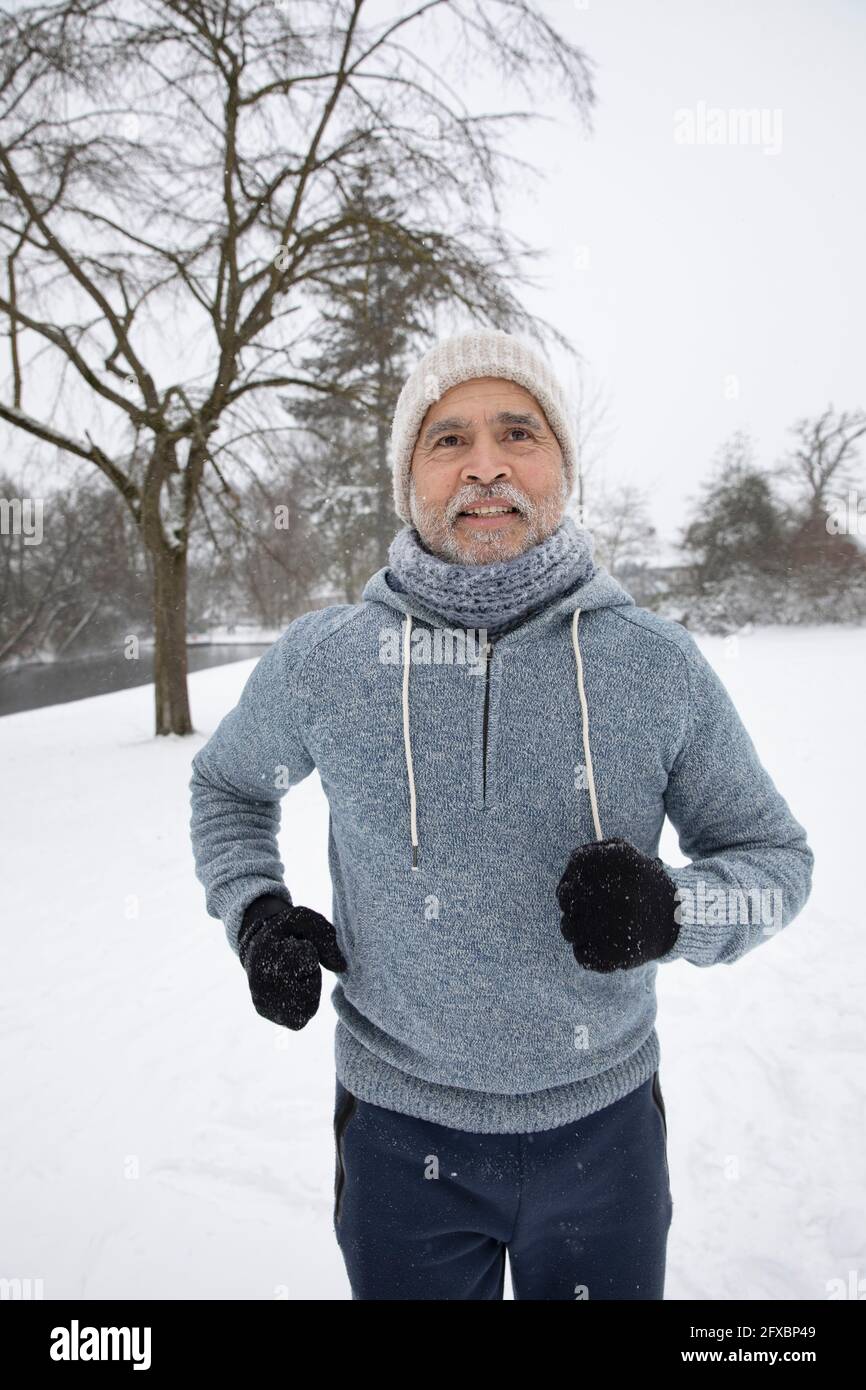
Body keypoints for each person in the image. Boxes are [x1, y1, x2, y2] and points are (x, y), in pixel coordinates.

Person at [189, 328, 813, 1300]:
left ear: (561, 464)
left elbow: (774, 863)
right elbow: (228, 787)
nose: (484, 464)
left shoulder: (655, 665)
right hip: (398, 1141)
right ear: (409, 479)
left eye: (516, 431)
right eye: (447, 439)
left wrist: (676, 911)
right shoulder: (327, 662)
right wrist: (254, 911)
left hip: (602, 1135)